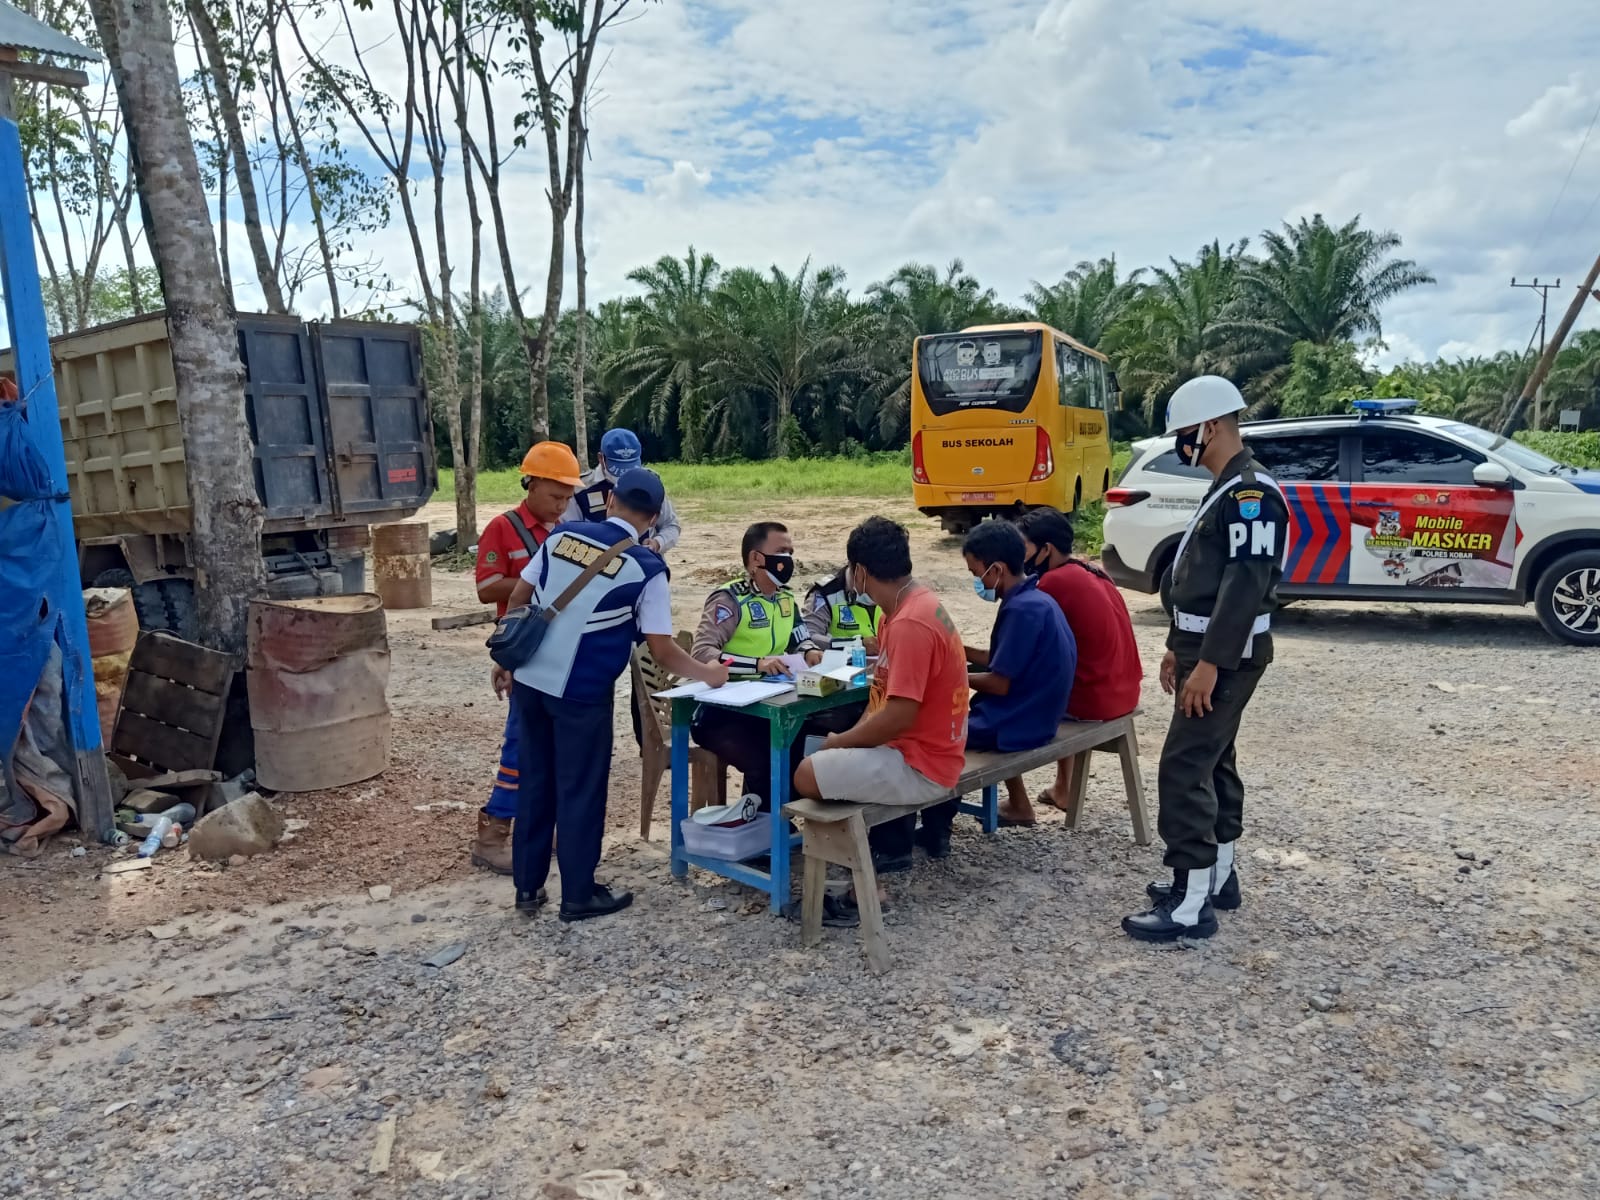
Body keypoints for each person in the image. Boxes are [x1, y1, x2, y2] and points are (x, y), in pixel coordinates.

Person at [491, 469, 728, 921]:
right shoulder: (647, 567)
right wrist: (708, 674)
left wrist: (506, 658)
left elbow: (522, 595)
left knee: (536, 782)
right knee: (579, 790)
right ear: (654, 518)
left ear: (611, 500)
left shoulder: (562, 537)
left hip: (531, 682)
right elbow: (661, 647)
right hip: (581, 694)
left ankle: (528, 888)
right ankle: (578, 894)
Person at [1123, 375, 1288, 943]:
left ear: (1212, 426)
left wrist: (1211, 664)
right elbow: (1201, 582)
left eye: (1184, 434)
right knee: (1214, 760)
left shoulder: (1250, 494)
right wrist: (1178, 646)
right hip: (1204, 646)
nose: (1179, 446)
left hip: (1227, 654)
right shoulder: (1229, 486)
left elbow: (1245, 585)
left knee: (1185, 766)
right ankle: (1217, 878)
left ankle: (1191, 905)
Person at [792, 516, 969, 919]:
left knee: (805, 772)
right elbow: (882, 700)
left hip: (922, 763)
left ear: (860, 572)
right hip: (925, 749)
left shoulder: (908, 623)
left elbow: (899, 715)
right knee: (823, 755)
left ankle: (859, 885)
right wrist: (850, 738)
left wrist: (842, 742)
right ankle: (859, 874)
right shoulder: (908, 607)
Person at [469, 441, 583, 874]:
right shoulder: (503, 527)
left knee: (548, 744)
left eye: (568, 498)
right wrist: (536, 580)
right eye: (556, 496)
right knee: (520, 743)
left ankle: (536, 825)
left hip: (558, 653)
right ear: (531, 484)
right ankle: (493, 831)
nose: (562, 506)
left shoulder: (564, 532)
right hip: (525, 651)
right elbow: (486, 586)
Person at [997, 507, 1143, 826]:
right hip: (1124, 690)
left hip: (1094, 698)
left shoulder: (1052, 584)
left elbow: (1014, 659)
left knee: (999, 699)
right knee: (1055, 675)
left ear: (1045, 549)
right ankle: (1063, 787)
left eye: (1022, 549)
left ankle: (1019, 805)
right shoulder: (1091, 569)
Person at [690, 522, 825, 807]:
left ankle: (774, 821)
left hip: (770, 708)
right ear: (756, 559)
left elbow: (798, 638)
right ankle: (768, 832)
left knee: (810, 742)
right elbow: (703, 652)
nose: (788, 560)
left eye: (791, 552)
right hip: (722, 714)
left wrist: (810, 651)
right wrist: (757, 664)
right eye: (781, 552)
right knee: (765, 758)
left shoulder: (785, 599)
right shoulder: (730, 599)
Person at [956, 520, 1076, 842]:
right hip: (1039, 714)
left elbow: (1000, 683)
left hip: (1019, 723)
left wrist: (952, 676)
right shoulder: (1036, 599)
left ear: (995, 569)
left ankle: (932, 818)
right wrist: (957, 650)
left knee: (928, 731)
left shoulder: (1021, 610)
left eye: (975, 573)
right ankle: (1017, 804)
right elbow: (1002, 658)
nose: (976, 581)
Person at [564, 428, 682, 555]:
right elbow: (568, 532)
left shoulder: (650, 485)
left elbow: (671, 525)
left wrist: (658, 543)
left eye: (630, 467)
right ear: (601, 458)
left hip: (640, 563)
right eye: (618, 469)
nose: (624, 476)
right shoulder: (581, 490)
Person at [804, 568, 882, 654]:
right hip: (842, 664)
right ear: (859, 571)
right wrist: (855, 645)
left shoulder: (895, 587)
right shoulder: (827, 593)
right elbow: (808, 636)